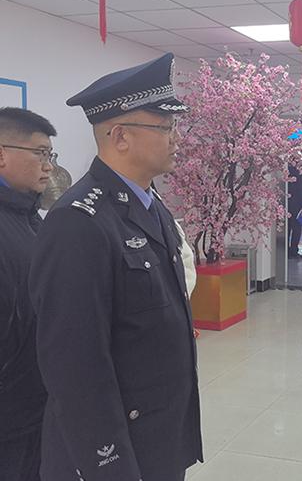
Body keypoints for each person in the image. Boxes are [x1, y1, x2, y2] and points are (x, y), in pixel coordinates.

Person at [28, 53, 202, 481]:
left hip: (160, 436)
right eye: (165, 127)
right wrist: (109, 464)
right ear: (120, 136)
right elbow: (74, 365)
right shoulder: (79, 222)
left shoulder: (151, 204)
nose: (176, 138)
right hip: (115, 451)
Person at [0, 108, 56, 481]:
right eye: (39, 153)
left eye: (50, 154)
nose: (48, 166)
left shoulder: (31, 217)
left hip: (37, 404)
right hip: (10, 413)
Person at [287, 164, 302, 259]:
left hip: (286, 205)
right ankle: (294, 251)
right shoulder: (300, 176)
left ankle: (286, 250)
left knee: (287, 229)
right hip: (297, 207)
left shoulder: (286, 172)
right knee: (296, 229)